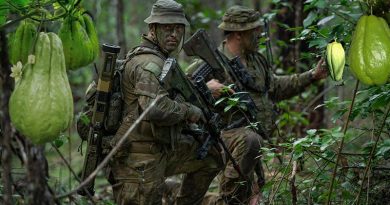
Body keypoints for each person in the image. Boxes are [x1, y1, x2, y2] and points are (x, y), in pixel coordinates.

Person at [187, 5, 328, 205]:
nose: (259, 34)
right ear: (238, 33)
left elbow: (276, 87)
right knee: (234, 196)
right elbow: (182, 92)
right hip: (224, 138)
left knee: (249, 197)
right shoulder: (211, 62)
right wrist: (204, 88)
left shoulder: (256, 60)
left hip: (253, 140)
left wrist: (312, 75)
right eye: (254, 31)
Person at [108, 0, 224, 204]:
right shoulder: (148, 64)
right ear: (152, 29)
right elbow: (154, 108)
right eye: (168, 28)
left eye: (179, 28)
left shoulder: (161, 59)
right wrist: (189, 110)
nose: (174, 34)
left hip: (161, 146)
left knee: (210, 158)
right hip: (139, 155)